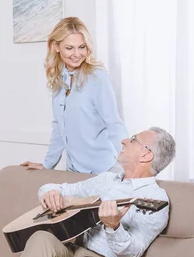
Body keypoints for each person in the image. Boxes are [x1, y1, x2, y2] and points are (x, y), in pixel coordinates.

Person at [15, 127, 176, 257]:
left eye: (133, 140)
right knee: (40, 237)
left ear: (146, 155)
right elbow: (58, 188)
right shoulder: (106, 179)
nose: (124, 141)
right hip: (74, 250)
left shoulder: (155, 198)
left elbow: (132, 253)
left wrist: (114, 227)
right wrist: (50, 193)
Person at [21, 17, 127, 174]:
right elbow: (59, 127)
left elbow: (114, 124)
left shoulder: (97, 77)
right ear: (56, 46)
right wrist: (47, 164)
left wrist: (128, 166)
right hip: (73, 172)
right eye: (69, 48)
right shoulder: (58, 79)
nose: (77, 54)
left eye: (82, 47)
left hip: (103, 172)